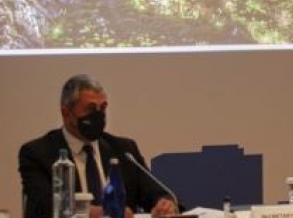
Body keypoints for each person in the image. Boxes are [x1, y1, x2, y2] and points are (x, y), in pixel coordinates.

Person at [19, 75, 178, 218]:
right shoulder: (38, 153)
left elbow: (156, 193)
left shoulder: (124, 149)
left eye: (102, 108)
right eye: (90, 109)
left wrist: (165, 204)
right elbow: (43, 204)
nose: (98, 115)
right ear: (66, 113)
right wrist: (100, 212)